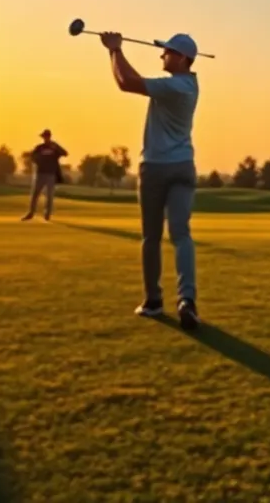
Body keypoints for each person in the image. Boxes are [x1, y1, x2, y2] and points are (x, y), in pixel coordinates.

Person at [100, 30, 201, 331]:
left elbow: (126, 82)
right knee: (181, 234)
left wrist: (114, 50)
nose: (162, 55)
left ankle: (154, 301)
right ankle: (187, 300)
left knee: (151, 237)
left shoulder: (175, 86)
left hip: (156, 167)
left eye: (167, 52)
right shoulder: (188, 85)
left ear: (181, 58)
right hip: (183, 165)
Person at [22, 129, 67, 221]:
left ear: (49, 137)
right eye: (44, 137)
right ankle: (31, 213)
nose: (45, 138)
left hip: (51, 174)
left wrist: (56, 147)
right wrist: (38, 161)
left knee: (49, 195)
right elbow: (32, 157)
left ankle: (47, 214)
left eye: (46, 136)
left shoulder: (54, 147)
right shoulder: (40, 147)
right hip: (40, 173)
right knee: (35, 194)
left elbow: (65, 153)